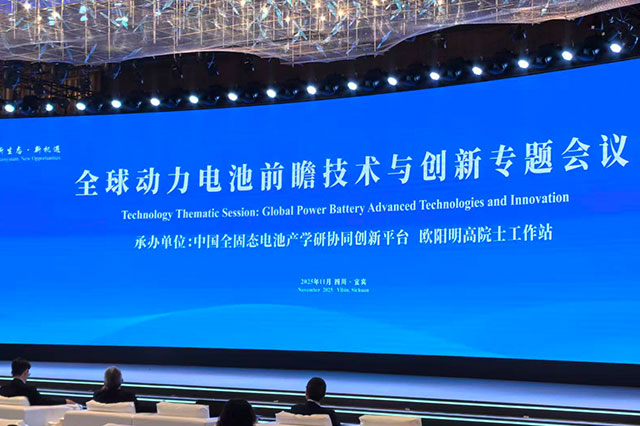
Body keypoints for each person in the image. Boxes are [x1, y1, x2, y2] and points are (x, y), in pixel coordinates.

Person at [0, 358, 75, 405]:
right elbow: (43, 402)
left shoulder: (3, 389)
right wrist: (65, 401)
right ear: (26, 372)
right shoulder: (29, 389)